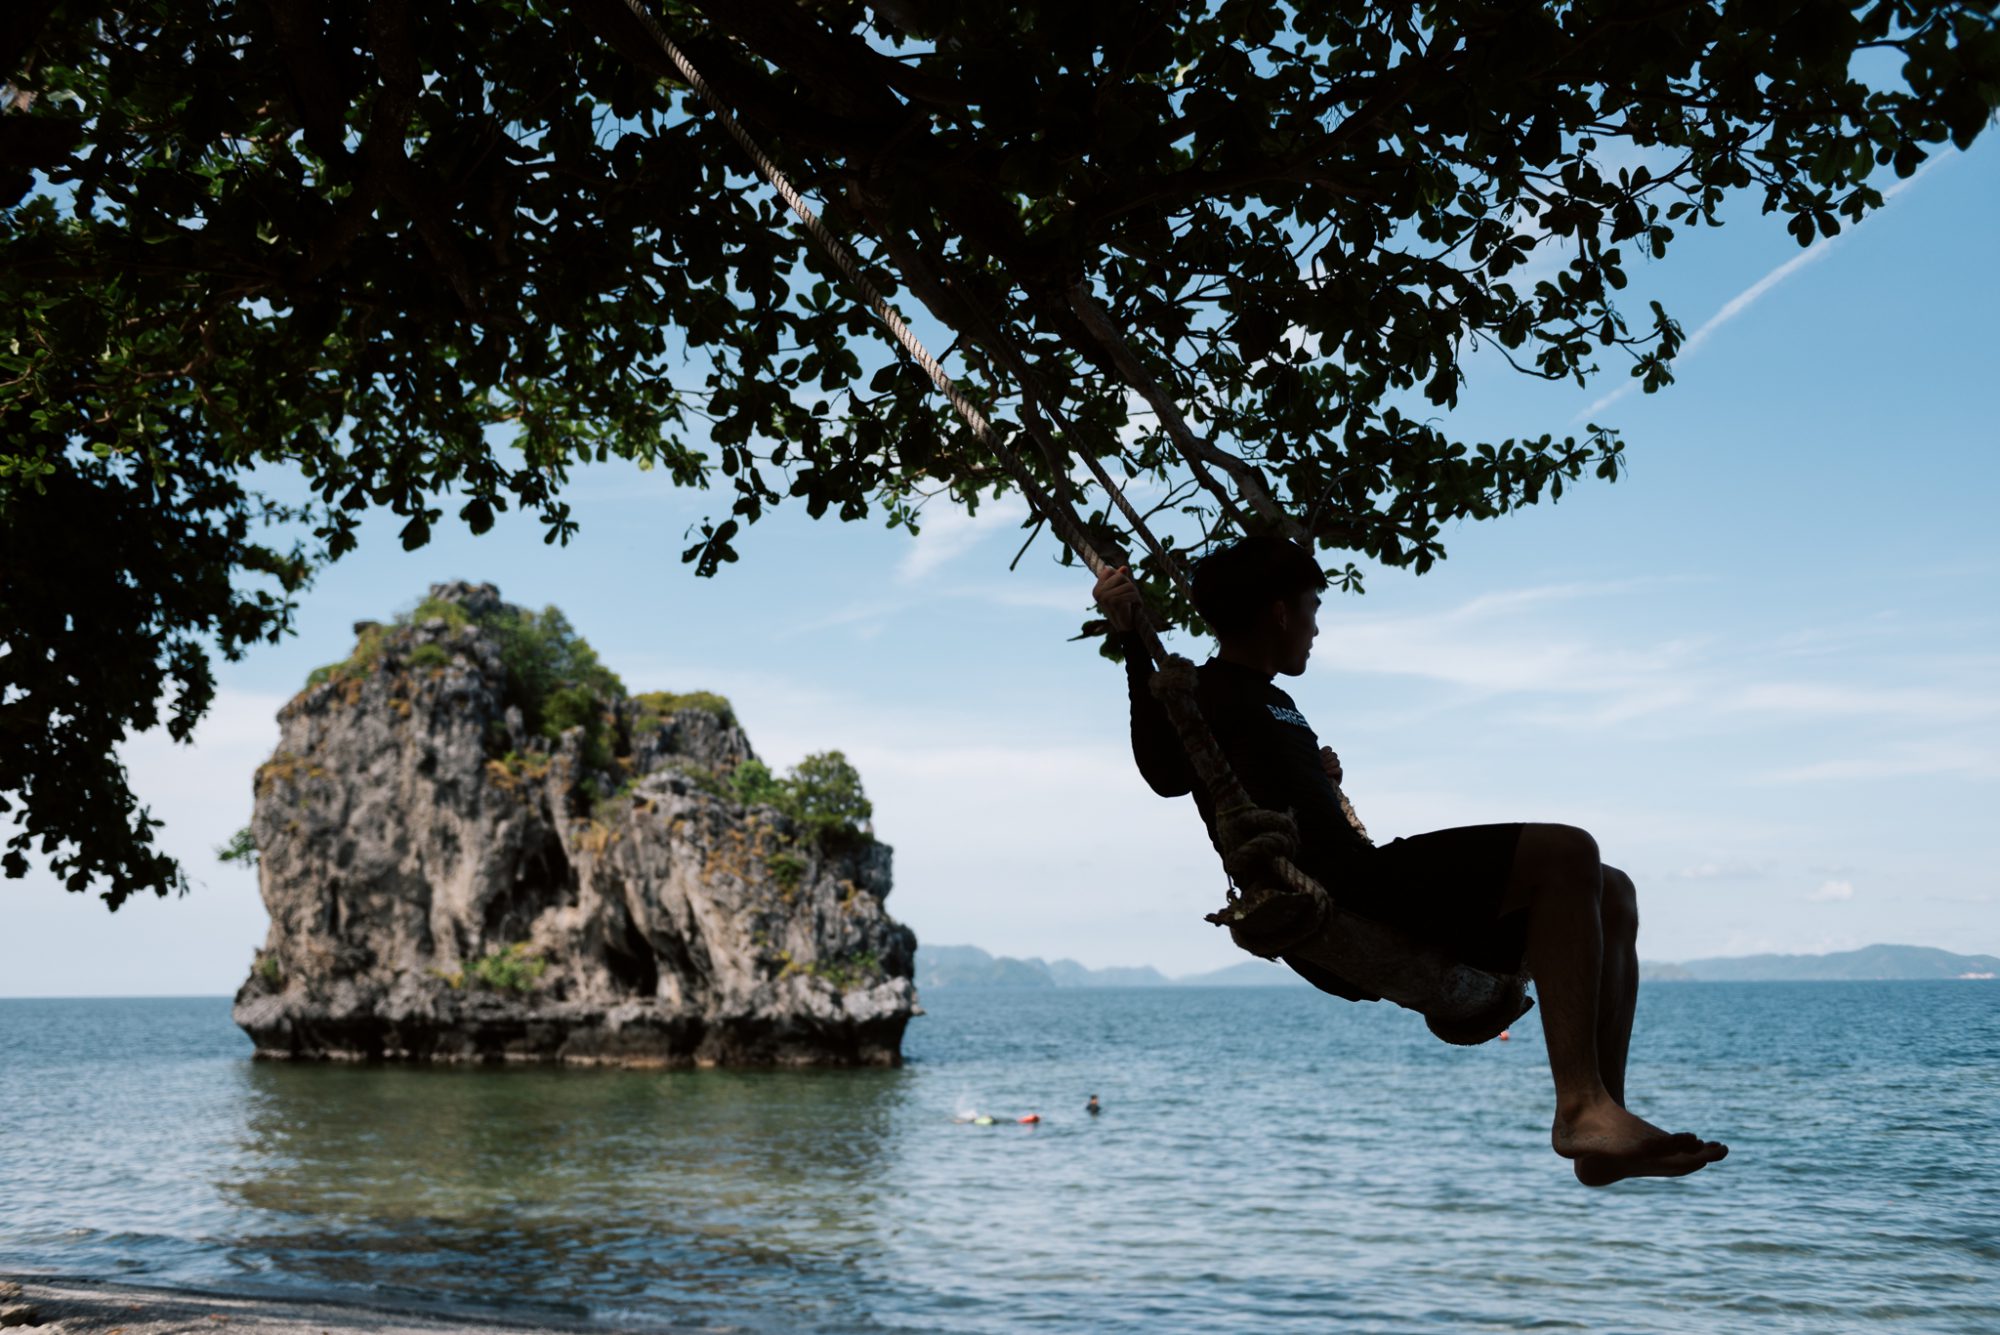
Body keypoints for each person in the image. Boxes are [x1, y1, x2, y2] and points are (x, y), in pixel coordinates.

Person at [1093, 537, 1727, 1187]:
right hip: (1342, 896)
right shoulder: (1206, 689)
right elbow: (1166, 770)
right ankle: (1579, 1107)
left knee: (1612, 890)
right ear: (1280, 611)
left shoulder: (1268, 697)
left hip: (1372, 883)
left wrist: (1317, 774)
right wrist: (1133, 643)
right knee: (1569, 850)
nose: (1317, 625)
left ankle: (1602, 1124)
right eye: (1312, 606)